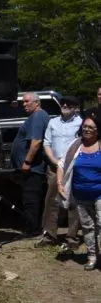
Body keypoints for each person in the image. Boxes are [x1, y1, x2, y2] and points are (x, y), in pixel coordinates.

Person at [40, 96, 83, 249]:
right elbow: (47, 143)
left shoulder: (81, 123)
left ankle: (72, 237)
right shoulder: (53, 122)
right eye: (63, 103)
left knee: (74, 202)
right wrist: (54, 160)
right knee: (51, 200)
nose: (65, 105)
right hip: (54, 166)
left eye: (69, 104)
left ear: (76, 107)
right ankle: (49, 234)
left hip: (74, 167)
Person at [58, 115, 101, 270]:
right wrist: (59, 182)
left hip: (99, 193)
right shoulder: (76, 145)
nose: (86, 130)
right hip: (80, 194)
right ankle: (92, 256)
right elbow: (62, 164)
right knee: (88, 227)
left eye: (91, 127)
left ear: (98, 130)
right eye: (85, 126)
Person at [12, 92, 50, 236]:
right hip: (31, 168)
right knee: (30, 198)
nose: (24, 104)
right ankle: (31, 226)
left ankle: (33, 229)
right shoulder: (35, 117)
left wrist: (27, 162)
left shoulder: (38, 116)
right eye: (23, 102)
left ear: (37, 102)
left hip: (34, 168)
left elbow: (36, 142)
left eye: (27, 101)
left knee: (31, 199)